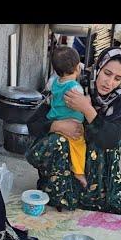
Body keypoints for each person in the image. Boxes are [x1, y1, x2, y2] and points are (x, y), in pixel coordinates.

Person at [26, 46, 121, 214]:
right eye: (107, 73)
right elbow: (33, 122)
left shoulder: (118, 101)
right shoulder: (72, 82)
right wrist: (57, 126)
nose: (109, 82)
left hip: (95, 164)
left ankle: (94, 196)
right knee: (56, 141)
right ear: (98, 68)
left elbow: (111, 139)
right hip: (69, 151)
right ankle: (60, 194)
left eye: (117, 78)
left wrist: (87, 109)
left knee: (107, 143)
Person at [46, 46, 88, 188]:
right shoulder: (75, 88)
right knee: (79, 145)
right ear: (77, 68)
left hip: (55, 119)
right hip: (72, 122)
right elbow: (81, 103)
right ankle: (78, 171)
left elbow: (48, 94)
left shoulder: (54, 82)